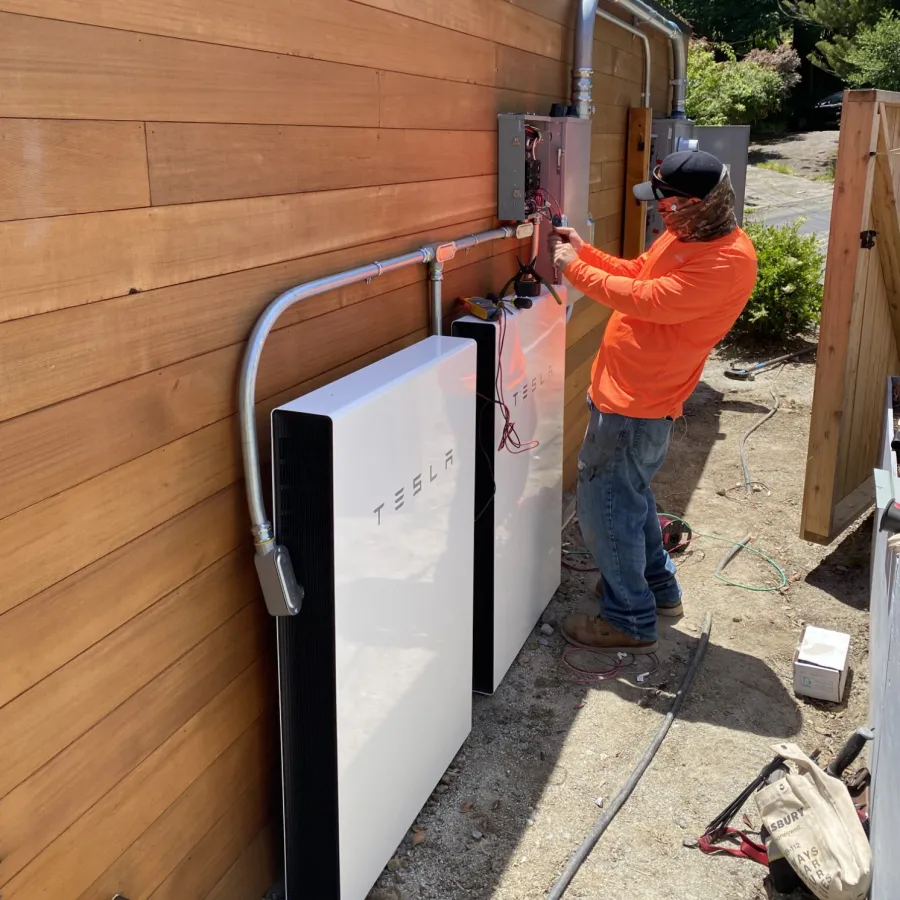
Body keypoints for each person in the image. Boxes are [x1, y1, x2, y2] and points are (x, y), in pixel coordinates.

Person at [549, 149, 757, 654]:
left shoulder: (726, 260)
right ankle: (658, 593)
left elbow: (649, 299)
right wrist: (586, 252)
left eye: (667, 203)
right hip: (625, 392)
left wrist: (576, 271)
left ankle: (629, 620)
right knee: (629, 497)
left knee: (605, 507)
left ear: (696, 203)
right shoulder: (689, 232)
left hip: (639, 403)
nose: (660, 212)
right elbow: (642, 272)